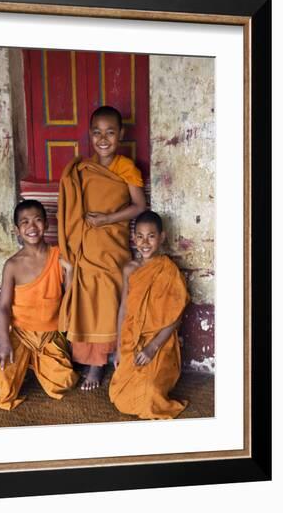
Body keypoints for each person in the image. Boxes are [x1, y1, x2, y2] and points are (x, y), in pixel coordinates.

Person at [58, 105, 147, 390]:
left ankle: (97, 365)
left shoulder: (126, 168)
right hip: (87, 246)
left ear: (121, 134)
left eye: (110, 132)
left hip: (112, 247)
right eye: (97, 132)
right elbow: (73, 207)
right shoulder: (83, 169)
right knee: (85, 301)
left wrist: (107, 218)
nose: (103, 138)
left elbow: (139, 207)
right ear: (90, 135)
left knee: (107, 300)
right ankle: (86, 358)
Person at [0, 199, 78, 410]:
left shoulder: (58, 256)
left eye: (37, 220)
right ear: (17, 230)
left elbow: (71, 297)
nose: (32, 227)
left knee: (63, 382)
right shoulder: (12, 265)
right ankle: (25, 362)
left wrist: (71, 271)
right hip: (20, 334)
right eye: (25, 222)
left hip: (49, 334)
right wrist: (4, 343)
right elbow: (3, 307)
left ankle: (33, 364)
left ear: (46, 224)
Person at [109, 210, 189, 419]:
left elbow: (176, 316)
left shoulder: (169, 271)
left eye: (151, 236)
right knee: (119, 397)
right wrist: (118, 349)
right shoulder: (130, 269)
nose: (145, 243)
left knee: (151, 394)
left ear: (161, 237)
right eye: (140, 237)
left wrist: (153, 348)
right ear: (134, 239)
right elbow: (124, 308)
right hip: (132, 337)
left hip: (160, 341)